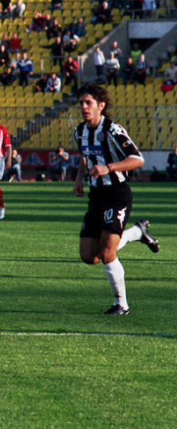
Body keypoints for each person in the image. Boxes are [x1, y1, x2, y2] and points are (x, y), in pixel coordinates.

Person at [73, 84, 159, 316]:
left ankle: (121, 304)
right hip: (96, 196)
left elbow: (137, 159)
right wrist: (78, 179)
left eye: (88, 102)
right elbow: (84, 156)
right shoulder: (79, 131)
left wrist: (108, 167)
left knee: (107, 254)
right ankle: (137, 233)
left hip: (116, 195)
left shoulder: (113, 130)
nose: (83, 107)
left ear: (101, 105)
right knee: (88, 256)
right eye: (81, 103)